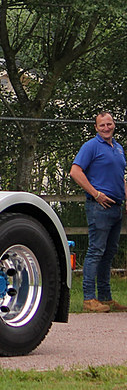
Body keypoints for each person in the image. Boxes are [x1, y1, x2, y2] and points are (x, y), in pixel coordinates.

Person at [70, 111, 127, 312]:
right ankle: (89, 299)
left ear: (114, 125)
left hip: (116, 208)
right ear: (96, 127)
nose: (106, 128)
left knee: (109, 253)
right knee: (96, 251)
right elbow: (75, 171)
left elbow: (120, 177)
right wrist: (96, 194)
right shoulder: (91, 146)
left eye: (109, 124)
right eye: (102, 125)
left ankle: (106, 297)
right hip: (99, 207)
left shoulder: (118, 149)